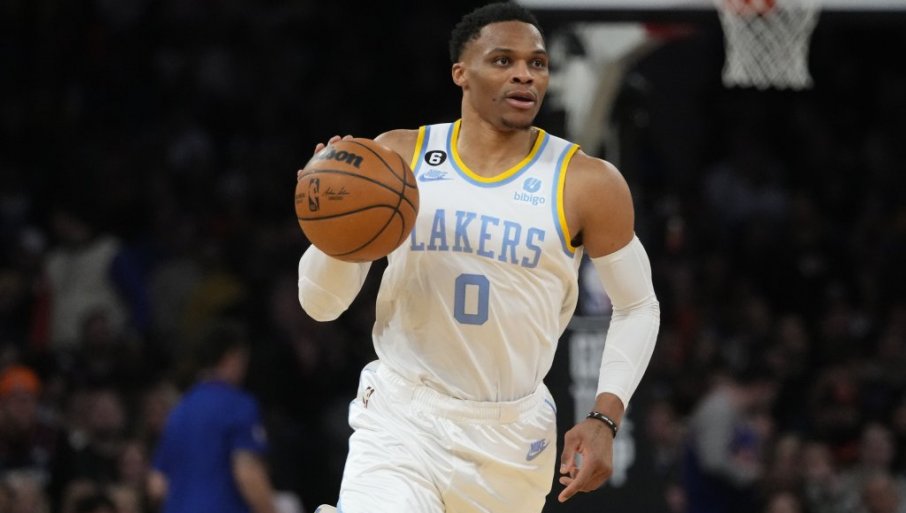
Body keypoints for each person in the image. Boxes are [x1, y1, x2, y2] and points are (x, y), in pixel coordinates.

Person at [297, 2, 660, 512]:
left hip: (512, 437)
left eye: (537, 63)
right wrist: (330, 227)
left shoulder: (586, 182)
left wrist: (605, 417)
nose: (524, 74)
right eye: (503, 60)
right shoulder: (398, 159)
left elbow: (638, 306)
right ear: (460, 73)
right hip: (403, 417)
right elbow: (321, 305)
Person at [147, 321, 277, 513]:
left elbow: (157, 484)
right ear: (232, 357)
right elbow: (247, 473)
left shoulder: (179, 411)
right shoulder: (238, 405)